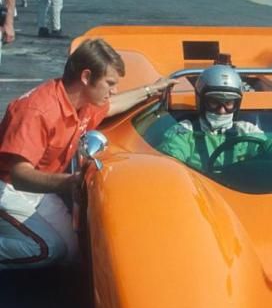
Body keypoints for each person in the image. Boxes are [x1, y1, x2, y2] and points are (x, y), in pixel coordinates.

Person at [0, 38, 174, 269]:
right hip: (8, 186)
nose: (114, 90)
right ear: (86, 77)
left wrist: (151, 90)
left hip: (37, 188)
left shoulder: (83, 102)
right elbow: (19, 175)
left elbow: (113, 105)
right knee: (47, 249)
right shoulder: (37, 110)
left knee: (73, 251)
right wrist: (70, 182)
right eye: (110, 83)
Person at [158, 64, 272, 170]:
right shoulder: (185, 132)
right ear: (202, 102)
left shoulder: (246, 131)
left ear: (237, 104)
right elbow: (171, 164)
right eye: (214, 102)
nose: (222, 110)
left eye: (228, 103)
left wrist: (271, 151)